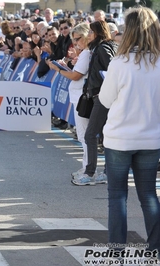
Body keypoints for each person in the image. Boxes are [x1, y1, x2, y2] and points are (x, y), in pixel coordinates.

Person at [99, 6, 160, 255]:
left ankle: (116, 251)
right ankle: (155, 248)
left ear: (130, 32)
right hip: (150, 138)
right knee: (148, 195)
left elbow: (105, 99)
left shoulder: (120, 63)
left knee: (117, 197)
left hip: (119, 138)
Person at [72, 20, 118, 186]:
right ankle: (106, 172)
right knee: (105, 135)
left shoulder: (103, 48)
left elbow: (112, 71)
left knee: (91, 134)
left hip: (102, 96)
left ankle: (90, 173)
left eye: (91, 32)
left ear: (98, 33)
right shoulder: (104, 47)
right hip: (102, 95)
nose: (88, 34)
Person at [47, 23, 91, 179]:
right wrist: (65, 67)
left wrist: (58, 69)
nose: (76, 43)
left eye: (78, 39)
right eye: (73, 40)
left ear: (86, 36)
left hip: (82, 97)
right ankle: (86, 167)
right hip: (78, 96)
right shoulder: (84, 53)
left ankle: (88, 169)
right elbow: (76, 73)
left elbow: (76, 76)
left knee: (85, 135)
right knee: (83, 134)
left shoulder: (86, 53)